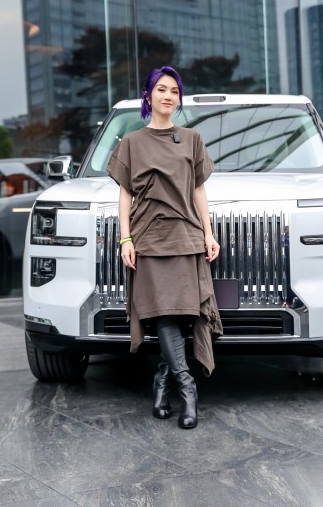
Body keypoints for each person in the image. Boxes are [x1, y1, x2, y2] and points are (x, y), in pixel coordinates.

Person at [106, 66, 223, 429]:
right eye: (161, 89)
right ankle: (188, 390)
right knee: (164, 315)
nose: (169, 96)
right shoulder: (131, 143)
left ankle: (161, 382)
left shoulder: (191, 139)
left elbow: (199, 191)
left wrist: (209, 234)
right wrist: (125, 238)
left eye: (174, 90)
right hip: (149, 239)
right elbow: (124, 196)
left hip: (186, 236)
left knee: (185, 313)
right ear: (148, 96)